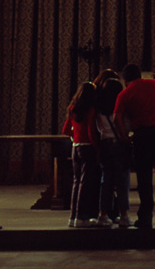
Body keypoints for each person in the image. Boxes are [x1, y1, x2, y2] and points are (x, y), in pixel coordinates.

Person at [114, 63, 155, 230]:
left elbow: (117, 118)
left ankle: (146, 217)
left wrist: (123, 137)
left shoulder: (125, 93)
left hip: (142, 136)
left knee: (144, 179)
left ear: (125, 78)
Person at [93, 71, 131, 227]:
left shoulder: (98, 109)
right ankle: (123, 215)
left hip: (105, 143)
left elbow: (98, 128)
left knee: (106, 181)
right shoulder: (121, 109)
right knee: (122, 181)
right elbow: (126, 126)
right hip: (119, 144)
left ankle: (103, 214)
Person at [62, 80, 100, 227]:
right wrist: (97, 149)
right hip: (87, 148)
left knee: (76, 182)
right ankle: (82, 217)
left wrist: (74, 137)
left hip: (75, 147)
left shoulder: (73, 107)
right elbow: (91, 131)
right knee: (86, 183)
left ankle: (73, 217)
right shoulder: (90, 109)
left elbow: (65, 129)